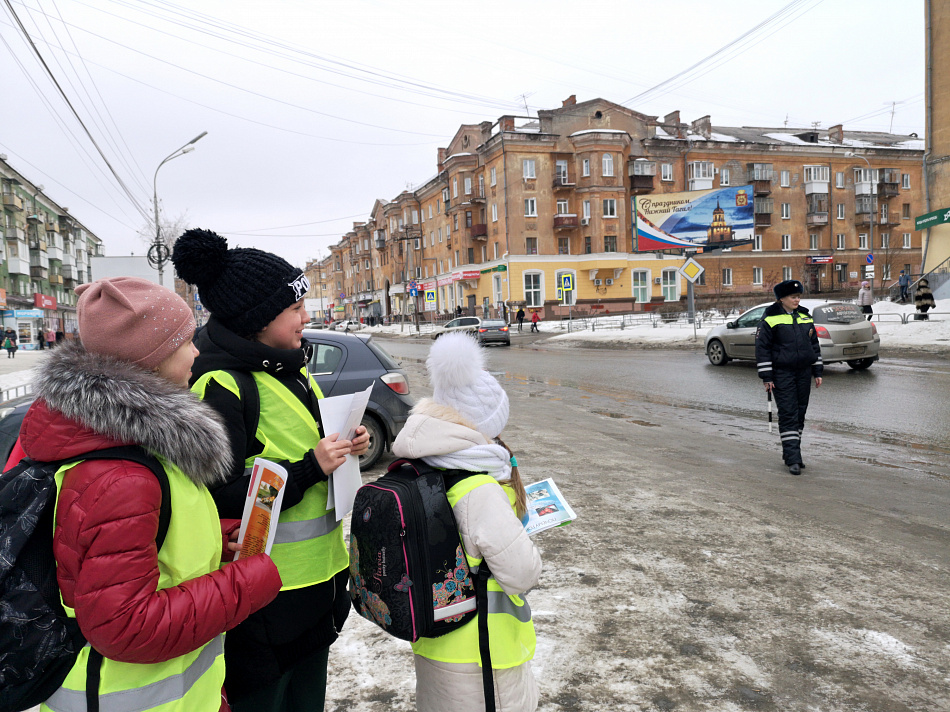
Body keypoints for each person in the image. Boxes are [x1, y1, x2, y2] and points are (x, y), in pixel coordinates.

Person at [17, 277, 282, 712]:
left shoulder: (134, 445)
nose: (197, 350)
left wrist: (215, 537)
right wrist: (248, 582)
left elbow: (138, 542)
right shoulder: (120, 477)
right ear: (151, 360)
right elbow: (125, 625)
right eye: (184, 341)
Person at [172, 228, 370, 712]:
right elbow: (212, 498)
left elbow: (312, 443)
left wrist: (349, 446)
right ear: (259, 319)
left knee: (307, 698)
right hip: (264, 597)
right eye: (295, 310)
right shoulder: (222, 385)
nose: (306, 318)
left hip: (318, 583)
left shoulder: (289, 368)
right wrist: (308, 468)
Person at [391, 332, 542, 712]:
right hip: (483, 656)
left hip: (434, 640)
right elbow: (522, 573)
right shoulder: (477, 489)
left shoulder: (423, 465)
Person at [755, 279, 823, 476]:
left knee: (800, 414)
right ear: (781, 298)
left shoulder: (804, 316)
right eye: (793, 297)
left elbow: (814, 345)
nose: (797, 299)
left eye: (799, 296)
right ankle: (793, 459)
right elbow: (762, 349)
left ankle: (793, 453)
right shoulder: (769, 319)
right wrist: (767, 377)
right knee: (788, 413)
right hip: (781, 373)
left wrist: (817, 371)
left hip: (803, 372)